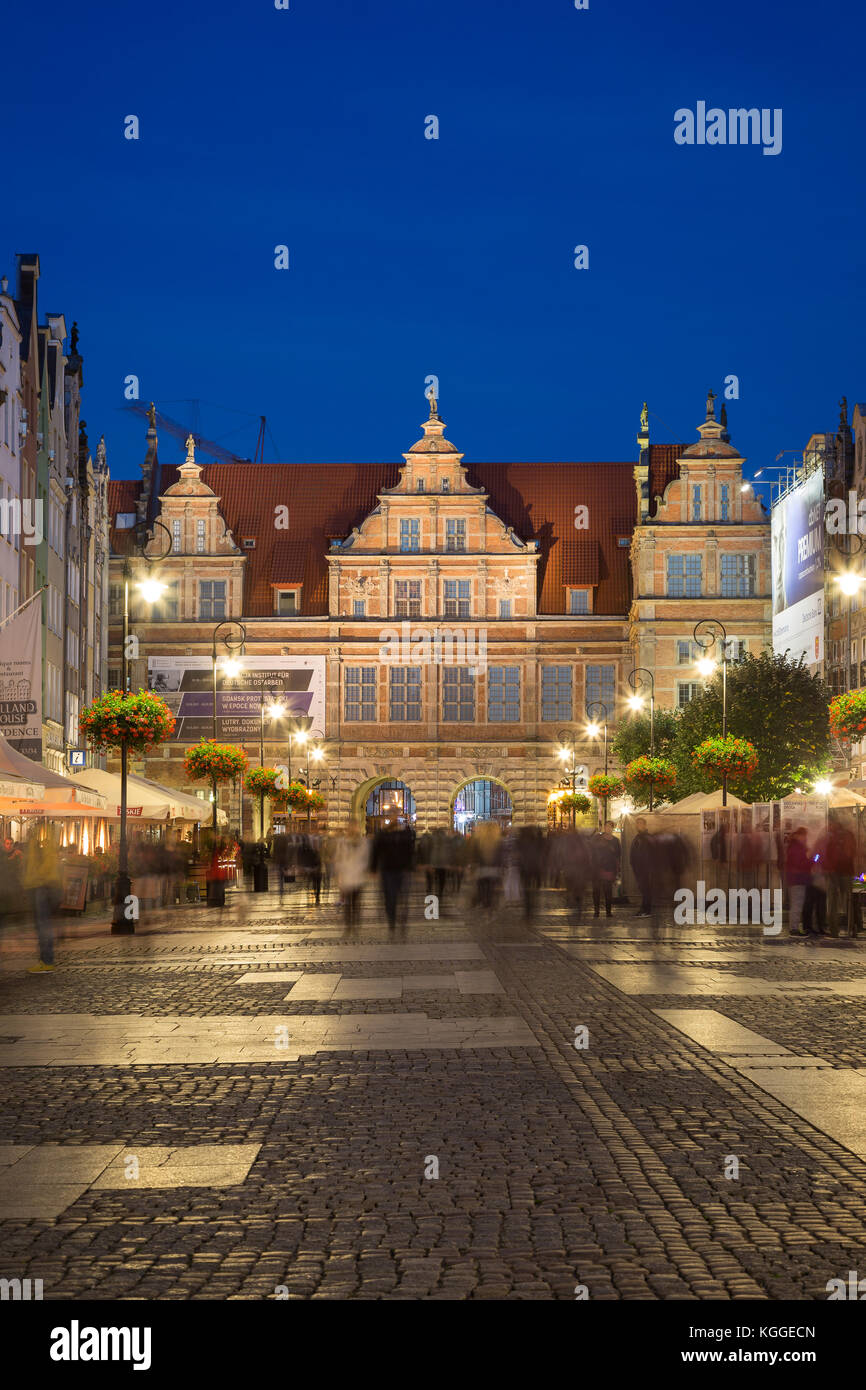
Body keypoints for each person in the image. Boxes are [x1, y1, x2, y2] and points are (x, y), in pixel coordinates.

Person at [23, 830, 62, 972]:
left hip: (42, 887)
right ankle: (45, 960)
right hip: (42, 887)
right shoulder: (47, 850)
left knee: (43, 925)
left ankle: (46, 960)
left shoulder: (45, 852)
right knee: (42, 924)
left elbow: (41, 870)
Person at [370, 819, 415, 933]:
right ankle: (392, 920)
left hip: (401, 870)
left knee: (402, 897)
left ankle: (401, 920)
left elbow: (410, 851)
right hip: (388, 870)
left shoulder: (404, 835)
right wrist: (373, 868)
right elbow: (376, 851)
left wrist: (412, 866)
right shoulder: (383, 835)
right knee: (390, 897)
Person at [333, 825, 370, 934]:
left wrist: (364, 869)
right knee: (348, 904)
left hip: (358, 877)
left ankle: (356, 925)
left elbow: (366, 859)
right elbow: (338, 858)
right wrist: (339, 872)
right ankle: (349, 926)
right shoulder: (342, 843)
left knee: (356, 903)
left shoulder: (364, 843)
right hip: (346, 877)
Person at [785, 827, 812, 936]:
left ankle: (794, 927)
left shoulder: (795, 847)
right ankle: (794, 928)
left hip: (796, 878)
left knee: (796, 903)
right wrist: (813, 859)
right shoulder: (797, 848)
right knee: (797, 904)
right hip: (798, 879)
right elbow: (801, 865)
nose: (806, 838)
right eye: (804, 835)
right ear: (800, 836)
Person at [590, 821, 621, 918]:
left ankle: (608, 911)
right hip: (597, 868)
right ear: (604, 827)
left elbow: (618, 854)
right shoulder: (597, 838)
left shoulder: (615, 840)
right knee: (596, 890)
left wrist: (617, 868)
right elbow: (591, 849)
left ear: (613, 828)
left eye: (610, 827)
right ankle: (596, 911)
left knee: (608, 890)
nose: (608, 828)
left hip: (609, 868)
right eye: (607, 826)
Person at [629, 817, 654, 918]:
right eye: (637, 823)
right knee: (643, 889)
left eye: (640, 823)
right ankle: (644, 909)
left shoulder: (648, 838)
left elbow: (652, 854)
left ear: (644, 825)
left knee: (646, 889)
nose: (637, 825)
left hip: (645, 869)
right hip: (639, 869)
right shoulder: (639, 837)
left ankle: (646, 910)